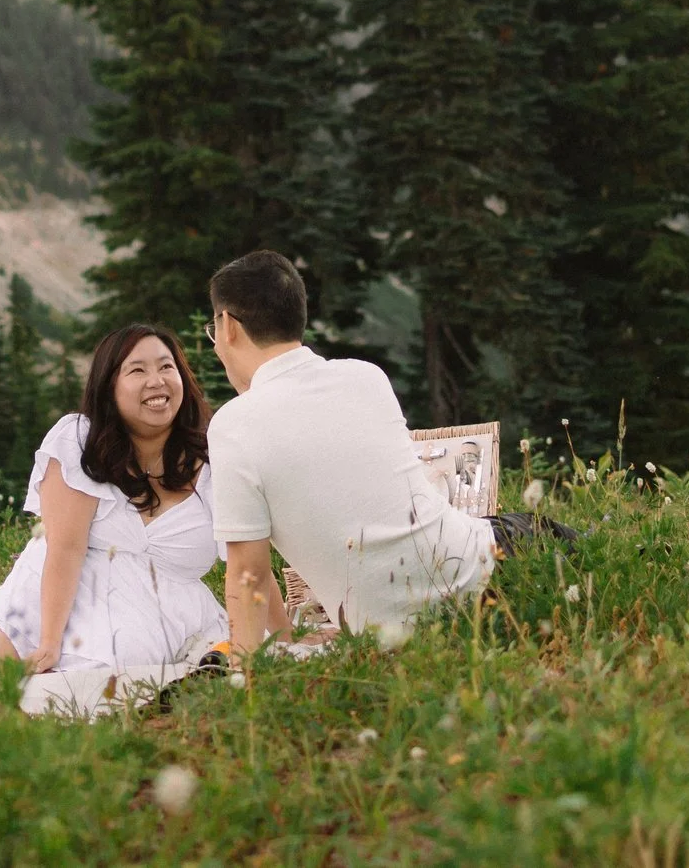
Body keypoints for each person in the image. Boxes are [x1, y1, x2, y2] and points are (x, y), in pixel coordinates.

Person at [206, 250, 500, 651]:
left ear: (227, 326)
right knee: (560, 537)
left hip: (389, 634)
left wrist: (247, 679)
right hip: (487, 572)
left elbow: (249, 574)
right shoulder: (366, 377)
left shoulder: (233, 425)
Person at [0, 324, 226, 680]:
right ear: (109, 387)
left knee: (85, 701)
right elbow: (66, 548)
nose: (157, 381)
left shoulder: (212, 457)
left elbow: (246, 554)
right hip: (55, 597)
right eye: (137, 370)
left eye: (167, 367)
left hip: (164, 619)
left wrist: (285, 637)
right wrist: (49, 641)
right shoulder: (80, 439)